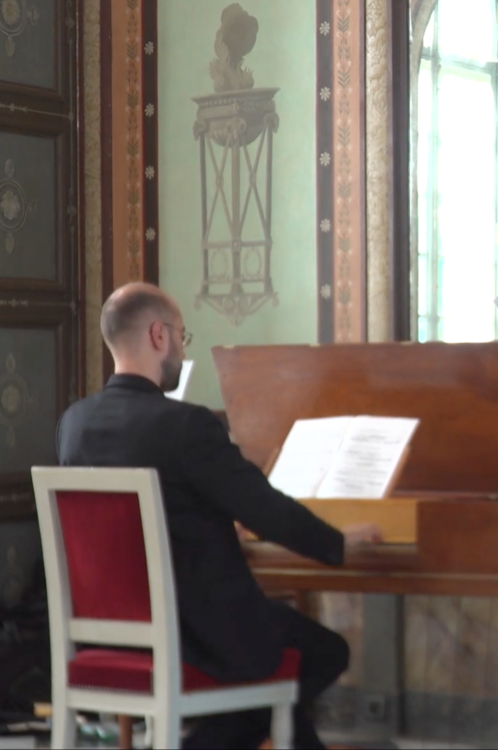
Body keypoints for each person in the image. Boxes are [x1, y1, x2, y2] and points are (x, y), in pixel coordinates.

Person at [56, 281, 382, 749]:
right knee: (326, 650)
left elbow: (136, 521)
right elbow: (266, 510)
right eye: (182, 337)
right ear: (158, 335)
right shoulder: (186, 425)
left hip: (111, 639)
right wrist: (338, 542)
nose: (179, 349)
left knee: (280, 685)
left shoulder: (73, 424)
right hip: (199, 635)